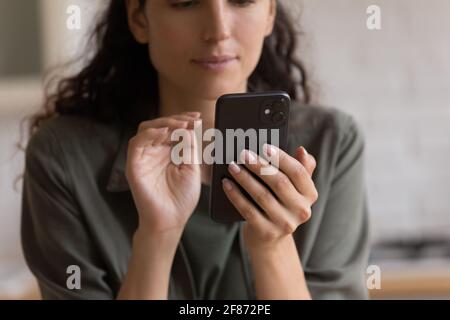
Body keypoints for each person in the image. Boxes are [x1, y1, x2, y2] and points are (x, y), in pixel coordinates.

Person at [21, 0, 370, 300]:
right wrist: (156, 236)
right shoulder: (62, 157)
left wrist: (272, 245)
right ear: (139, 18)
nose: (218, 30)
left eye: (242, 1)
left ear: (269, 13)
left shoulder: (332, 144)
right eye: (185, 2)